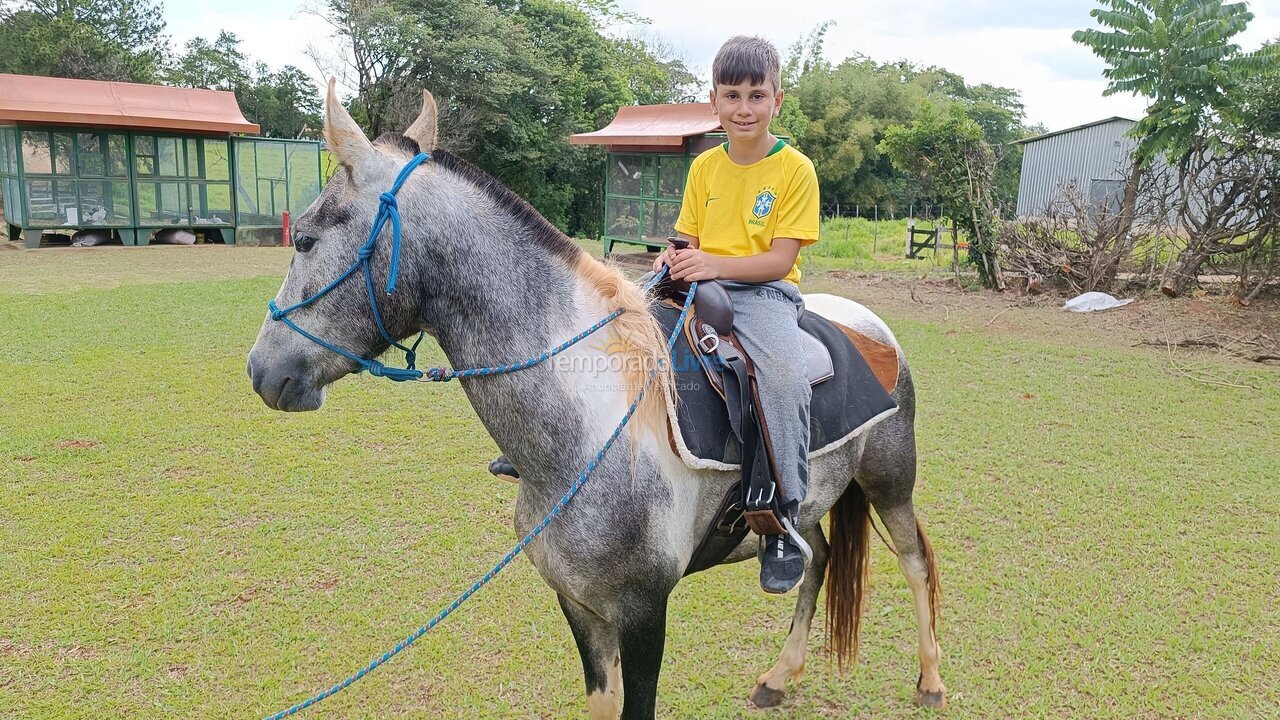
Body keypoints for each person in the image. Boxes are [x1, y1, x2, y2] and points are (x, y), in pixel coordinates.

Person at [653, 35, 820, 594]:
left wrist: (708, 263)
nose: (743, 108)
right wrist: (674, 256)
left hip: (765, 293)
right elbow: (689, 236)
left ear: (777, 99)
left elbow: (780, 259)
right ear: (714, 100)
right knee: (618, 325)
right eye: (732, 96)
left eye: (756, 95)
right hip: (699, 281)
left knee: (784, 377)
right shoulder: (705, 166)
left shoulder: (795, 170)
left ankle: (781, 514)